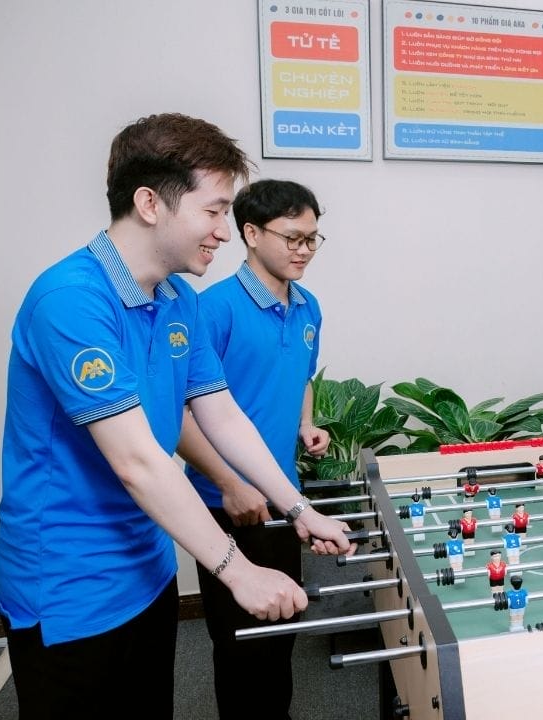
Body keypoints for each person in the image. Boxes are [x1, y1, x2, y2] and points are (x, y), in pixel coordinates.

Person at [0, 113, 354, 718]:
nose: (222, 231)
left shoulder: (177, 298)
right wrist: (238, 571)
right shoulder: (71, 301)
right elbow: (139, 462)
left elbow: (223, 416)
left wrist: (299, 509)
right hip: (70, 586)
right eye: (214, 211)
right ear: (150, 203)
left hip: (147, 568)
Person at [174, 177, 333, 720]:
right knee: (240, 643)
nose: (304, 250)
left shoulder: (308, 307)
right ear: (250, 233)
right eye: (292, 237)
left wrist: (305, 425)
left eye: (312, 239)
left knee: (283, 627)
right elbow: (182, 412)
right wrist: (228, 481)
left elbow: (301, 377)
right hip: (224, 505)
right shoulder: (209, 310)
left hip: (284, 494)